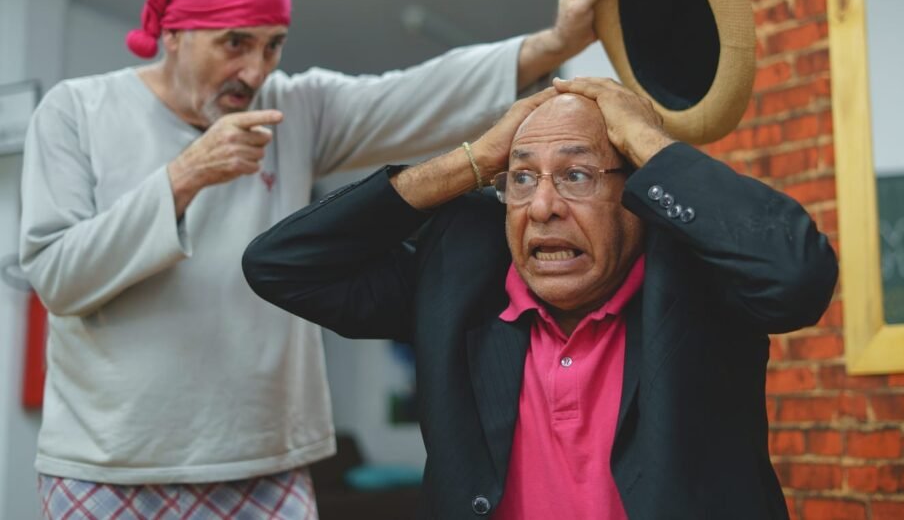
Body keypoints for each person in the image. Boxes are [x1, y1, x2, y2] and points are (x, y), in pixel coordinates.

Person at [19, 0, 614, 518]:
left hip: (264, 461)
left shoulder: (292, 107)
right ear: (174, 34)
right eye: (235, 43)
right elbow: (57, 277)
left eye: (272, 44)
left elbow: (416, 93)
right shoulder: (77, 111)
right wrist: (185, 176)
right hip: (107, 463)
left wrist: (556, 42)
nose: (256, 72)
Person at [242, 77, 839, 519]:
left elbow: (797, 279)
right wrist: (473, 161)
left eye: (577, 175)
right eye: (522, 178)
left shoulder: (696, 275)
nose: (543, 206)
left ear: (637, 193)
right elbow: (281, 265)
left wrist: (643, 137)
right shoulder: (460, 283)